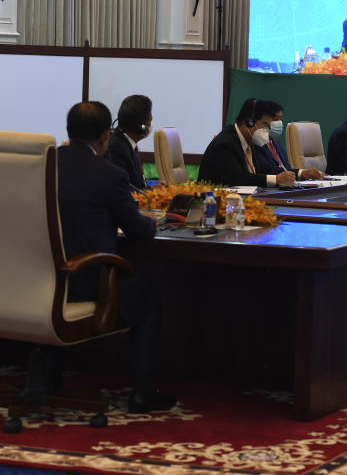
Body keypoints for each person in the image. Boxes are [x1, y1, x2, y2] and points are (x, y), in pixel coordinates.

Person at [57, 101, 175, 413]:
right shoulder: (108, 174)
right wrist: (155, 220)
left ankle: (46, 375)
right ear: (104, 137)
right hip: (87, 283)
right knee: (149, 299)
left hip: (40, 280)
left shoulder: (42, 165)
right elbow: (137, 230)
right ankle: (141, 391)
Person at [198, 98, 297, 187]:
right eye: (265, 124)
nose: (268, 130)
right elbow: (237, 178)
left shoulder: (249, 141)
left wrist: (288, 174)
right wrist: (275, 179)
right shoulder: (226, 144)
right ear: (249, 122)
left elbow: (260, 170)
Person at [251, 100, 324, 180]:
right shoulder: (256, 142)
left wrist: (305, 173)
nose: (279, 123)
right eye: (275, 119)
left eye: (281, 119)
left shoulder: (276, 143)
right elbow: (266, 171)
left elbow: (286, 168)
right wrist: (301, 173)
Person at [105, 94, 152, 191]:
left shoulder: (127, 143)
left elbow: (138, 186)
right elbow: (123, 191)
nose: (150, 123)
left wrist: (154, 191)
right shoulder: (116, 149)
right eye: (149, 119)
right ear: (141, 127)